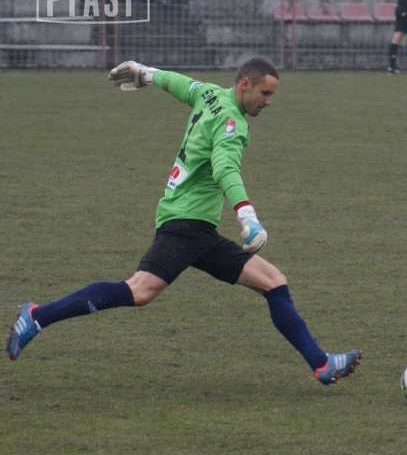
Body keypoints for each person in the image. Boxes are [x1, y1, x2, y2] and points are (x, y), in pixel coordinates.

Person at [5, 58, 362, 386]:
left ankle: (321, 364)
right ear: (245, 86)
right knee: (139, 291)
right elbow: (225, 168)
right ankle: (37, 316)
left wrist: (147, 73)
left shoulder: (210, 94)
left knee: (273, 282)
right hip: (185, 225)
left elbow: (181, 84)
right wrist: (247, 216)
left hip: (196, 227)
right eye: (264, 93)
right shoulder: (232, 123)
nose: (268, 101)